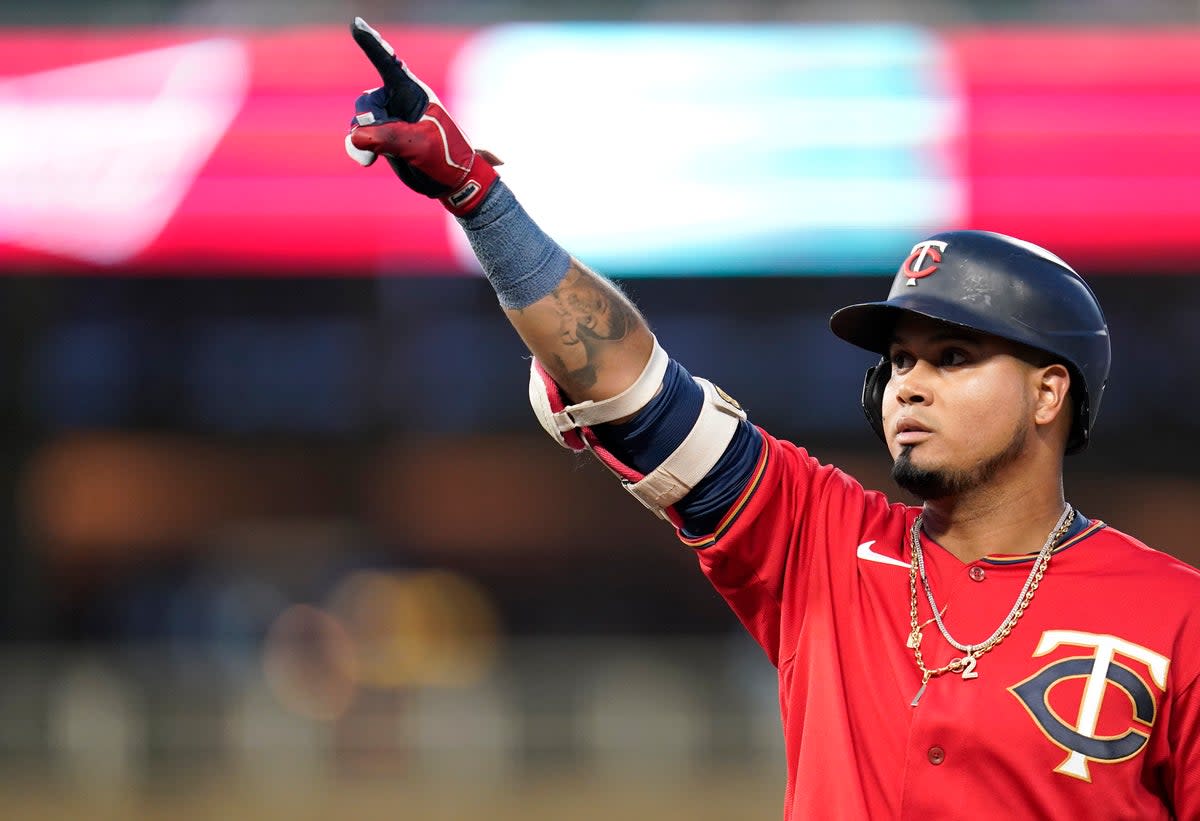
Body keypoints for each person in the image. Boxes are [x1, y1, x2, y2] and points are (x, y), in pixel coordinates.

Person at [343, 18, 1200, 819]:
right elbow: (631, 387)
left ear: (1051, 392)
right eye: (899, 359)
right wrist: (481, 202)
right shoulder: (818, 539)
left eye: (953, 357)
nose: (909, 383)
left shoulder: (1176, 617)